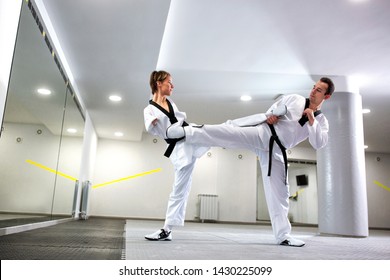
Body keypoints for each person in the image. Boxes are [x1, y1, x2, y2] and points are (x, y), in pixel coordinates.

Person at [167, 77, 335, 247]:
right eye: (314, 87)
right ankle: (186, 131)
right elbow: (273, 110)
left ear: (326, 97)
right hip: (264, 134)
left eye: (319, 90)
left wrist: (312, 121)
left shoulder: (321, 121)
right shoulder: (295, 99)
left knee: (281, 194)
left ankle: (283, 236)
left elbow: (319, 143)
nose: (313, 91)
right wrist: (272, 116)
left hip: (277, 150)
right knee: (228, 133)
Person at [143, 70, 209, 241]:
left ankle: (167, 230)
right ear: (159, 83)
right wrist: (158, 124)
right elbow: (155, 129)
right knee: (181, 189)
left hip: (190, 135)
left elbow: (177, 122)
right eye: (169, 82)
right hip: (180, 148)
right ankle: (167, 229)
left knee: (219, 132)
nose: (172, 85)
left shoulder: (171, 102)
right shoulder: (149, 109)